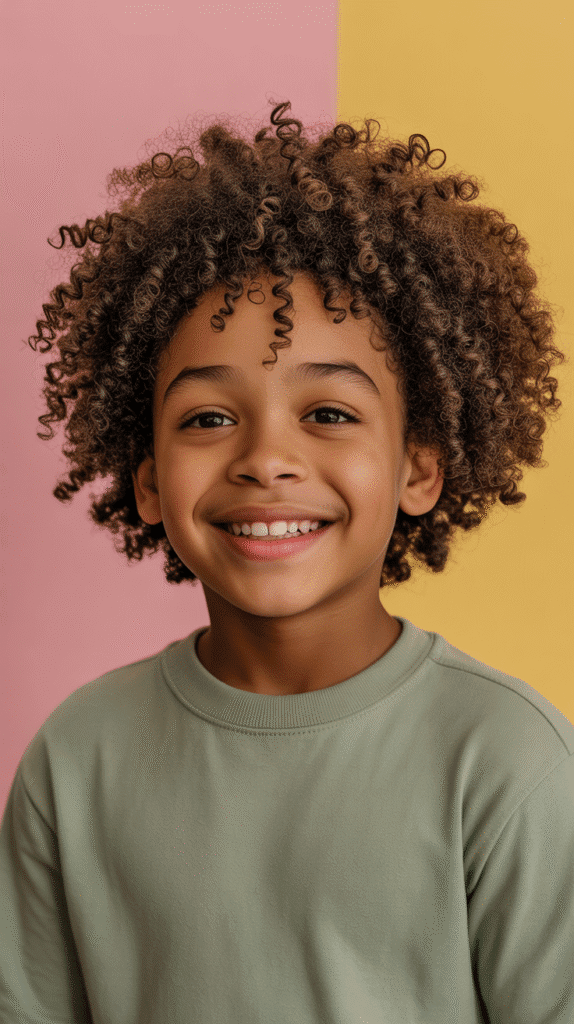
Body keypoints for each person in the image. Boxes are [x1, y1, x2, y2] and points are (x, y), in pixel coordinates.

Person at [1, 99, 572, 1023]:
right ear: (149, 483)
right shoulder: (78, 758)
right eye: (208, 419)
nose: (266, 458)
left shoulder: (509, 765)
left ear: (419, 467)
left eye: (331, 414)